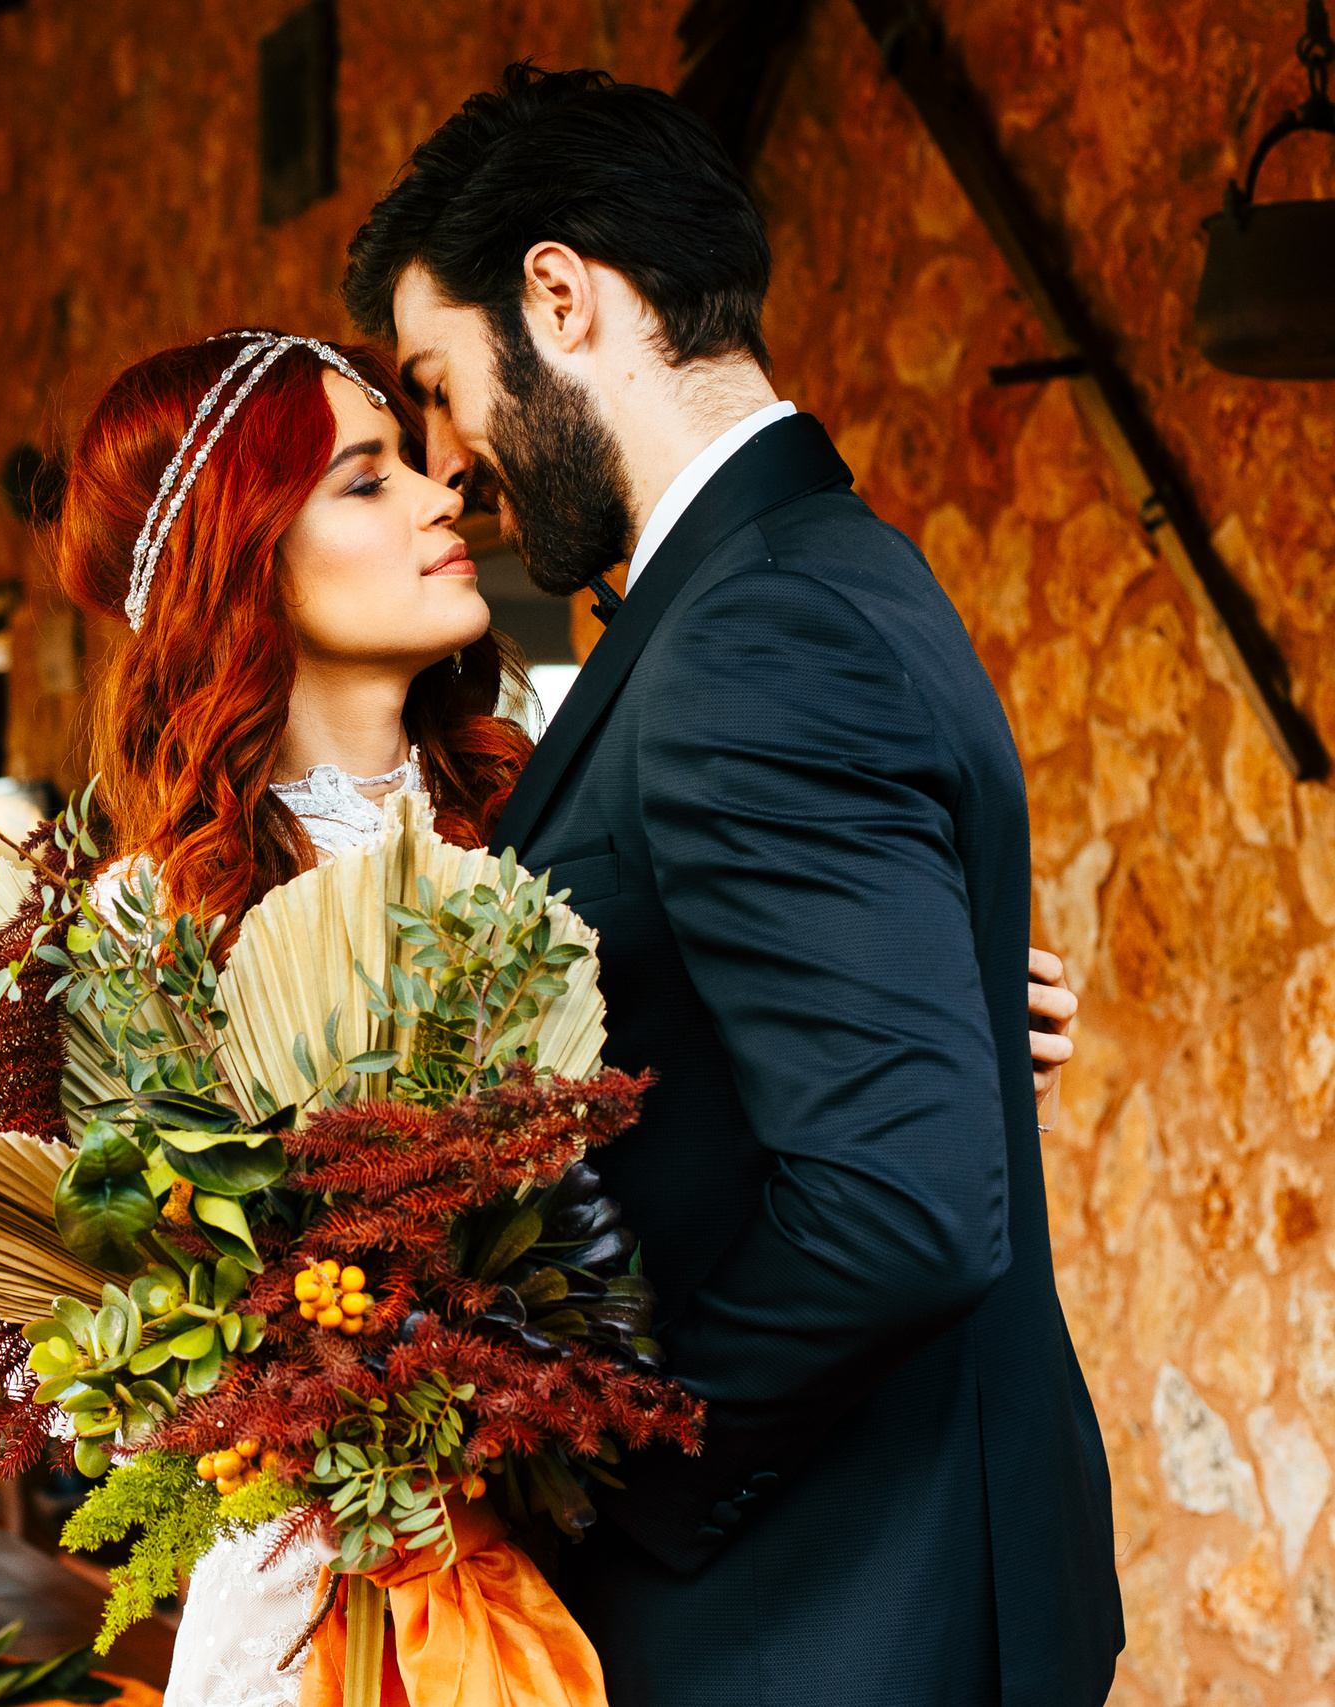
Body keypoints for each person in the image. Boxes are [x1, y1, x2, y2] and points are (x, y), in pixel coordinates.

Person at [0, 321, 1084, 1707]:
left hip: (611, 1579)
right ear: (243, 563)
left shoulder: (544, 826)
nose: (440, 490)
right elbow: (125, 1376)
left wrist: (923, 1046)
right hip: (338, 1604)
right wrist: (359, 1387)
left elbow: (703, 1141)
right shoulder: (140, 930)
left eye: (419, 459)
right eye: (368, 480)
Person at [338, 63, 1120, 1706]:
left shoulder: (756, 630)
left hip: (825, 1603)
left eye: (433, 383)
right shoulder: (825, 570)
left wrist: (612, 1471)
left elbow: (899, 1203)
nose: (446, 462)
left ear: (558, 294)